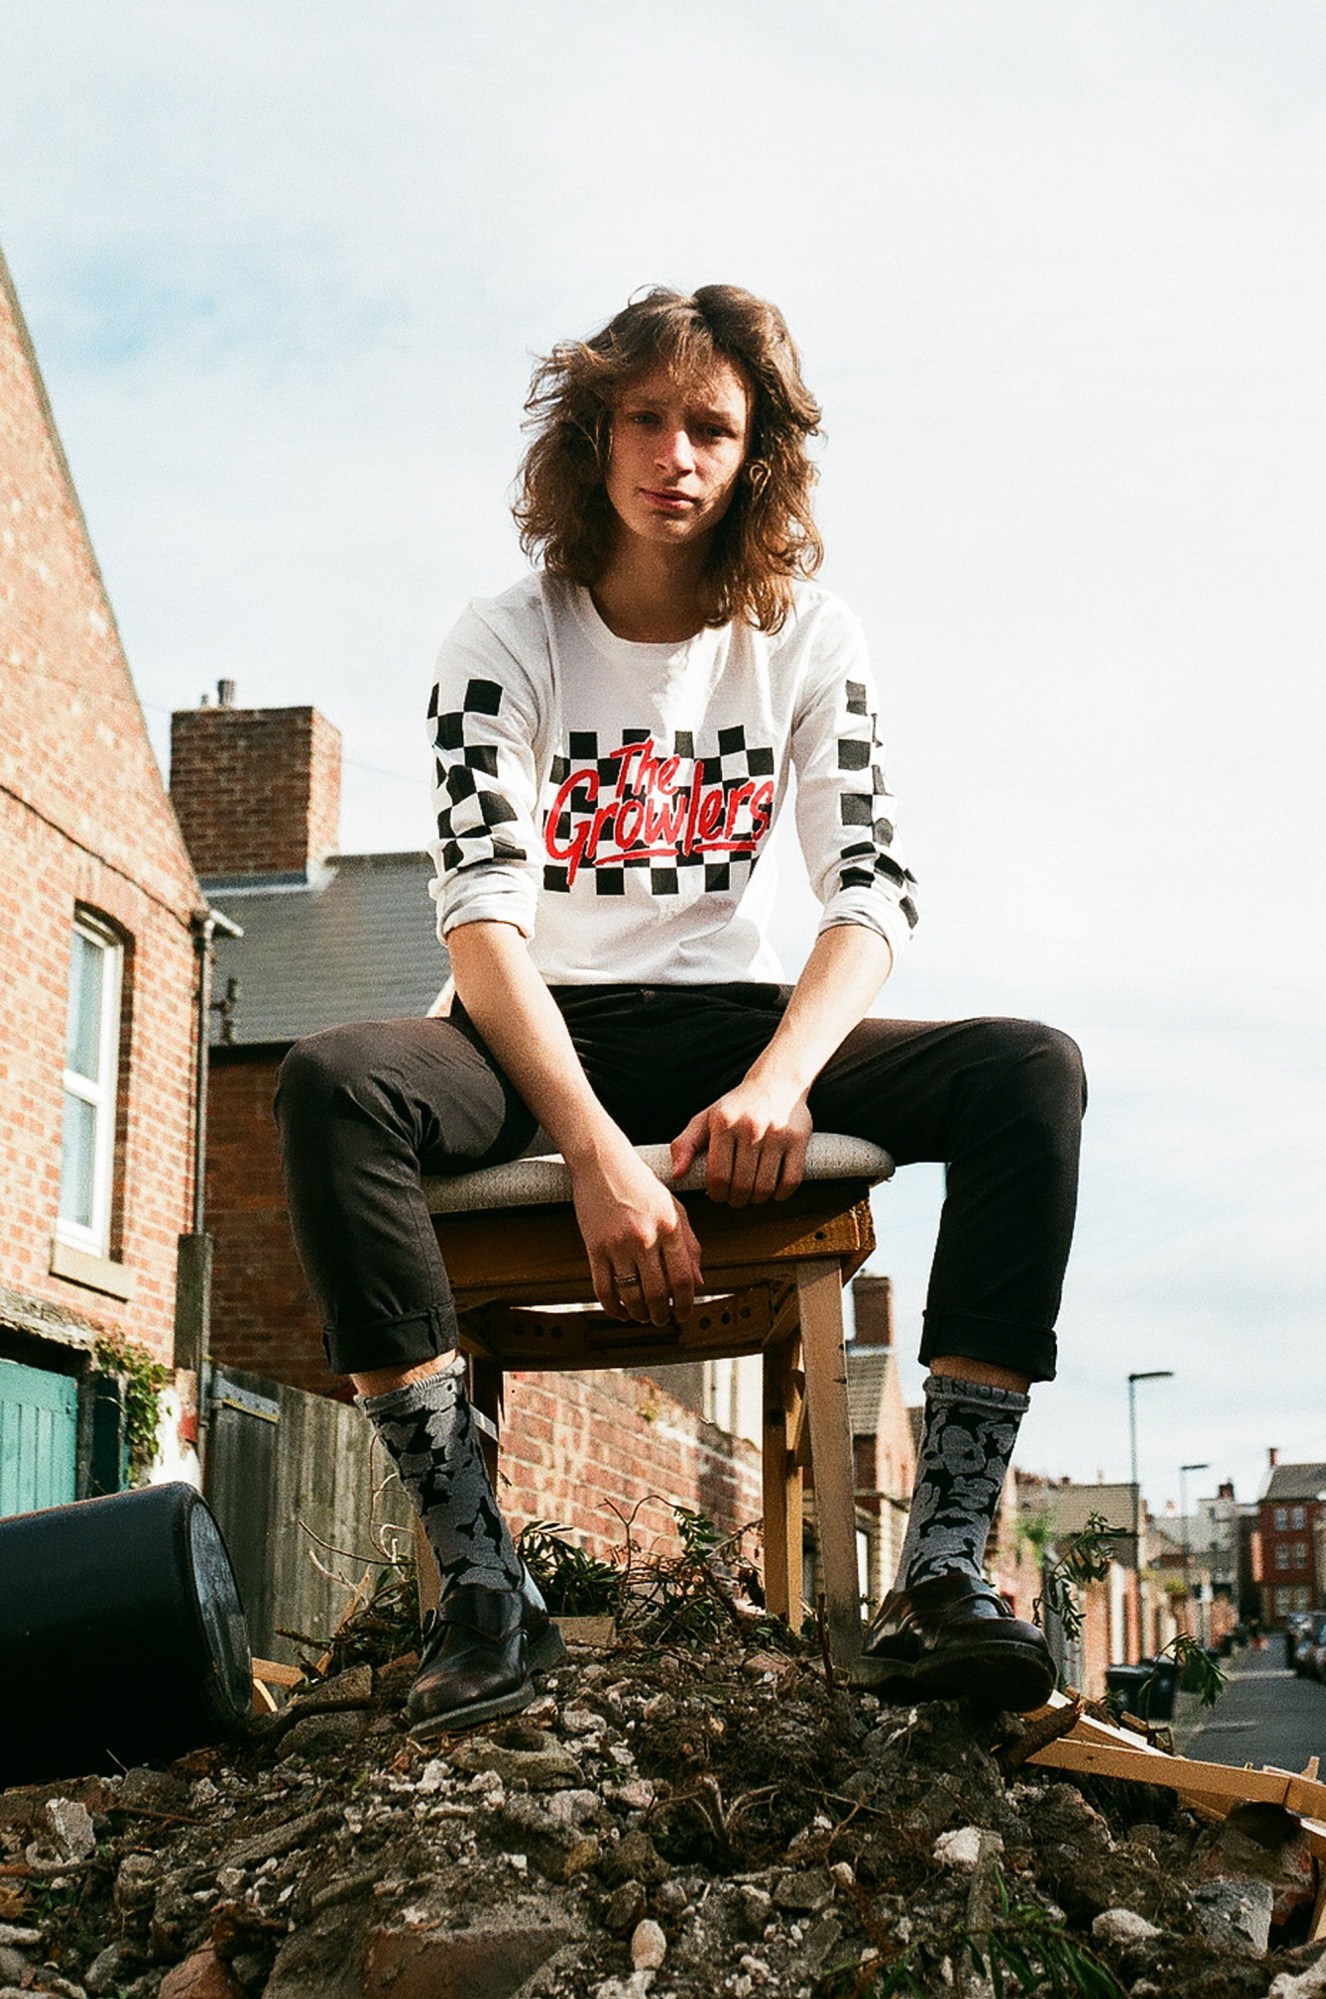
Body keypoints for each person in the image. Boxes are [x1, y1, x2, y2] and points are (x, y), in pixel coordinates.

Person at [275, 284, 1086, 1735]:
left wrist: (779, 1083)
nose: (673, 453)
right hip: (526, 1038)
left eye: (709, 424)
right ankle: (481, 1586)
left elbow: (871, 894)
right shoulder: (500, 636)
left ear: (755, 450)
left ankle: (944, 1571)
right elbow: (479, 917)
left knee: (1029, 1072)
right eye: (642, 419)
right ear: (591, 438)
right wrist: (591, 1150)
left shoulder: (806, 634)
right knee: (333, 1079)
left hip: (728, 1032)